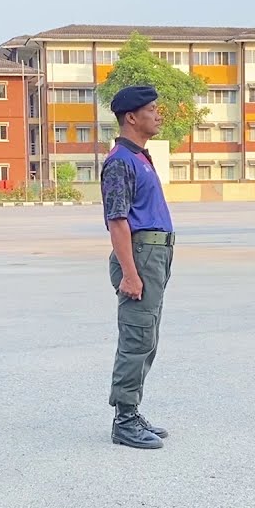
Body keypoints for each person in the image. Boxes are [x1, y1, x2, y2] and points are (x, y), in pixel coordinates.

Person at [101, 85, 175, 450]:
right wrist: (130, 273)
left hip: (155, 256)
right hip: (140, 256)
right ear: (132, 117)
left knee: (148, 338)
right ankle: (124, 420)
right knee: (136, 338)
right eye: (152, 109)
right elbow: (117, 221)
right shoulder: (120, 160)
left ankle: (132, 410)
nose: (158, 115)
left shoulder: (140, 156)